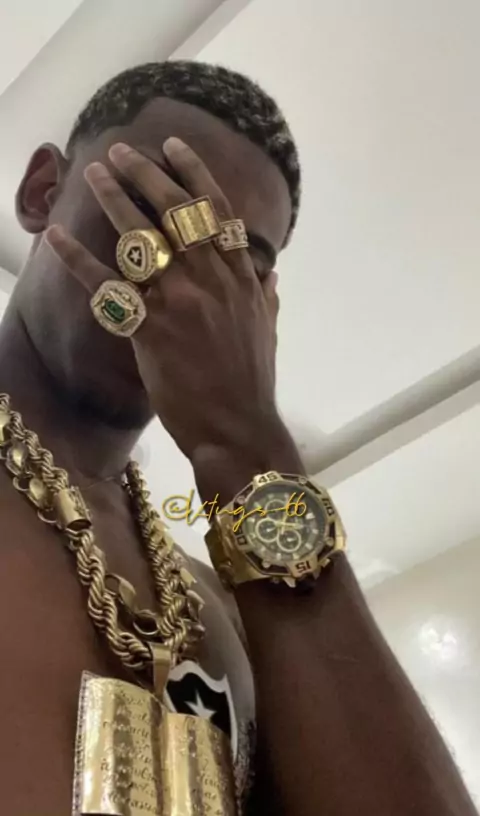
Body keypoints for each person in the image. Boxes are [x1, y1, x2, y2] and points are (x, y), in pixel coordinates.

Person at [0, 59, 475, 816]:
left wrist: (245, 443)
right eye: (144, 205)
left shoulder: (230, 603)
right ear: (42, 192)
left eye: (235, 263)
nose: (177, 276)